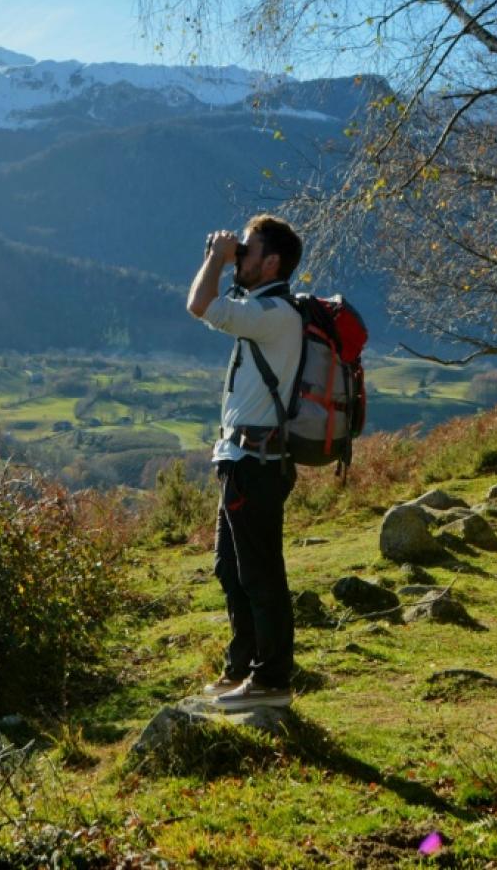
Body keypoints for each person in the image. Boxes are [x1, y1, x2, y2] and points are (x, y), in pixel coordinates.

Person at [186, 214, 304, 710]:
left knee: (259, 572)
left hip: (255, 463)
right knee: (230, 569)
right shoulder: (260, 309)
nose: (239, 256)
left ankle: (272, 678)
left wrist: (215, 255)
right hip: (239, 458)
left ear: (272, 262)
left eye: (248, 251)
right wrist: (229, 256)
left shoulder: (275, 314)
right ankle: (242, 665)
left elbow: (200, 305)